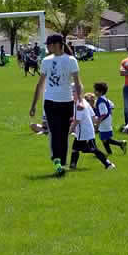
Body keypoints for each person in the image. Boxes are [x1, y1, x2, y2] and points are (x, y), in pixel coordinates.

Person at [29, 34, 82, 177]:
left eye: (49, 44)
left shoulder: (71, 60)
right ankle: (57, 161)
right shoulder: (46, 61)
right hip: (51, 102)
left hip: (66, 102)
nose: (47, 47)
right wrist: (34, 104)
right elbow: (40, 84)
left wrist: (80, 101)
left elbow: (77, 82)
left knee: (64, 134)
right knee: (54, 132)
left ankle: (62, 163)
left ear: (58, 44)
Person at [71, 88, 115, 171]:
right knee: (75, 148)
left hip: (83, 132)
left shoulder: (79, 105)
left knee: (92, 149)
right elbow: (93, 117)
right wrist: (96, 125)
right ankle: (72, 166)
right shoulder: (84, 102)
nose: (72, 94)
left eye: (73, 92)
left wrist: (69, 131)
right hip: (87, 131)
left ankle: (108, 164)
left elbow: (77, 121)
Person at [93, 82, 127, 155]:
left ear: (101, 92)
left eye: (96, 90)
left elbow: (103, 113)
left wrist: (98, 123)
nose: (94, 92)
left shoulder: (101, 101)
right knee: (104, 138)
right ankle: (109, 152)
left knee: (105, 138)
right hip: (106, 121)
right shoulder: (103, 99)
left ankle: (121, 143)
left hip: (104, 122)